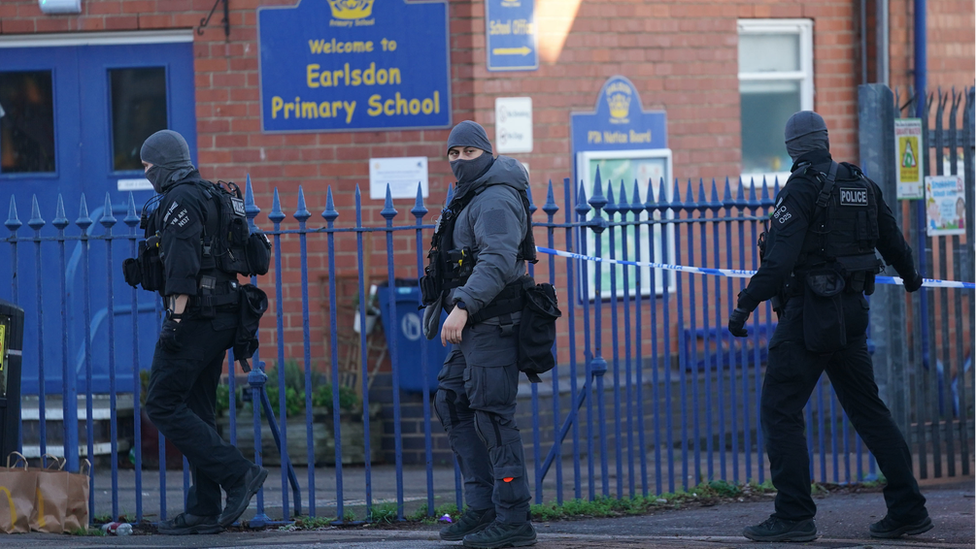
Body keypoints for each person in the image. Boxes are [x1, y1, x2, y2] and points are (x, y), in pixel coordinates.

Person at [727, 111, 931, 542]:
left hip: (807, 318)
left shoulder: (801, 188)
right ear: (823, 140)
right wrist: (912, 279)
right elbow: (894, 241)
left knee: (780, 411)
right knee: (870, 412)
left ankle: (794, 516)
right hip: (851, 314)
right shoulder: (860, 183)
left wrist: (744, 306)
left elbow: (778, 261)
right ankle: (909, 509)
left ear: (793, 148)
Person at [137, 129, 268, 535]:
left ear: (164, 164)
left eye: (148, 168)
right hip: (226, 314)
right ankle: (203, 508)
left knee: (160, 402)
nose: (147, 175)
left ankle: (238, 474)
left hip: (194, 316)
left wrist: (174, 320)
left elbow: (181, 264)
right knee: (197, 409)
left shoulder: (179, 200)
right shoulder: (215, 194)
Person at [423, 120, 537, 548]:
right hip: (475, 325)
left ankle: (514, 519)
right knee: (451, 400)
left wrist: (463, 306)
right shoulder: (469, 195)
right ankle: (484, 505)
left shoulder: (495, 197)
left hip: (492, 323)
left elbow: (499, 260)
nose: (459, 161)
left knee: (492, 416)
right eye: (453, 154)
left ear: (485, 153)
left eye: (468, 153)